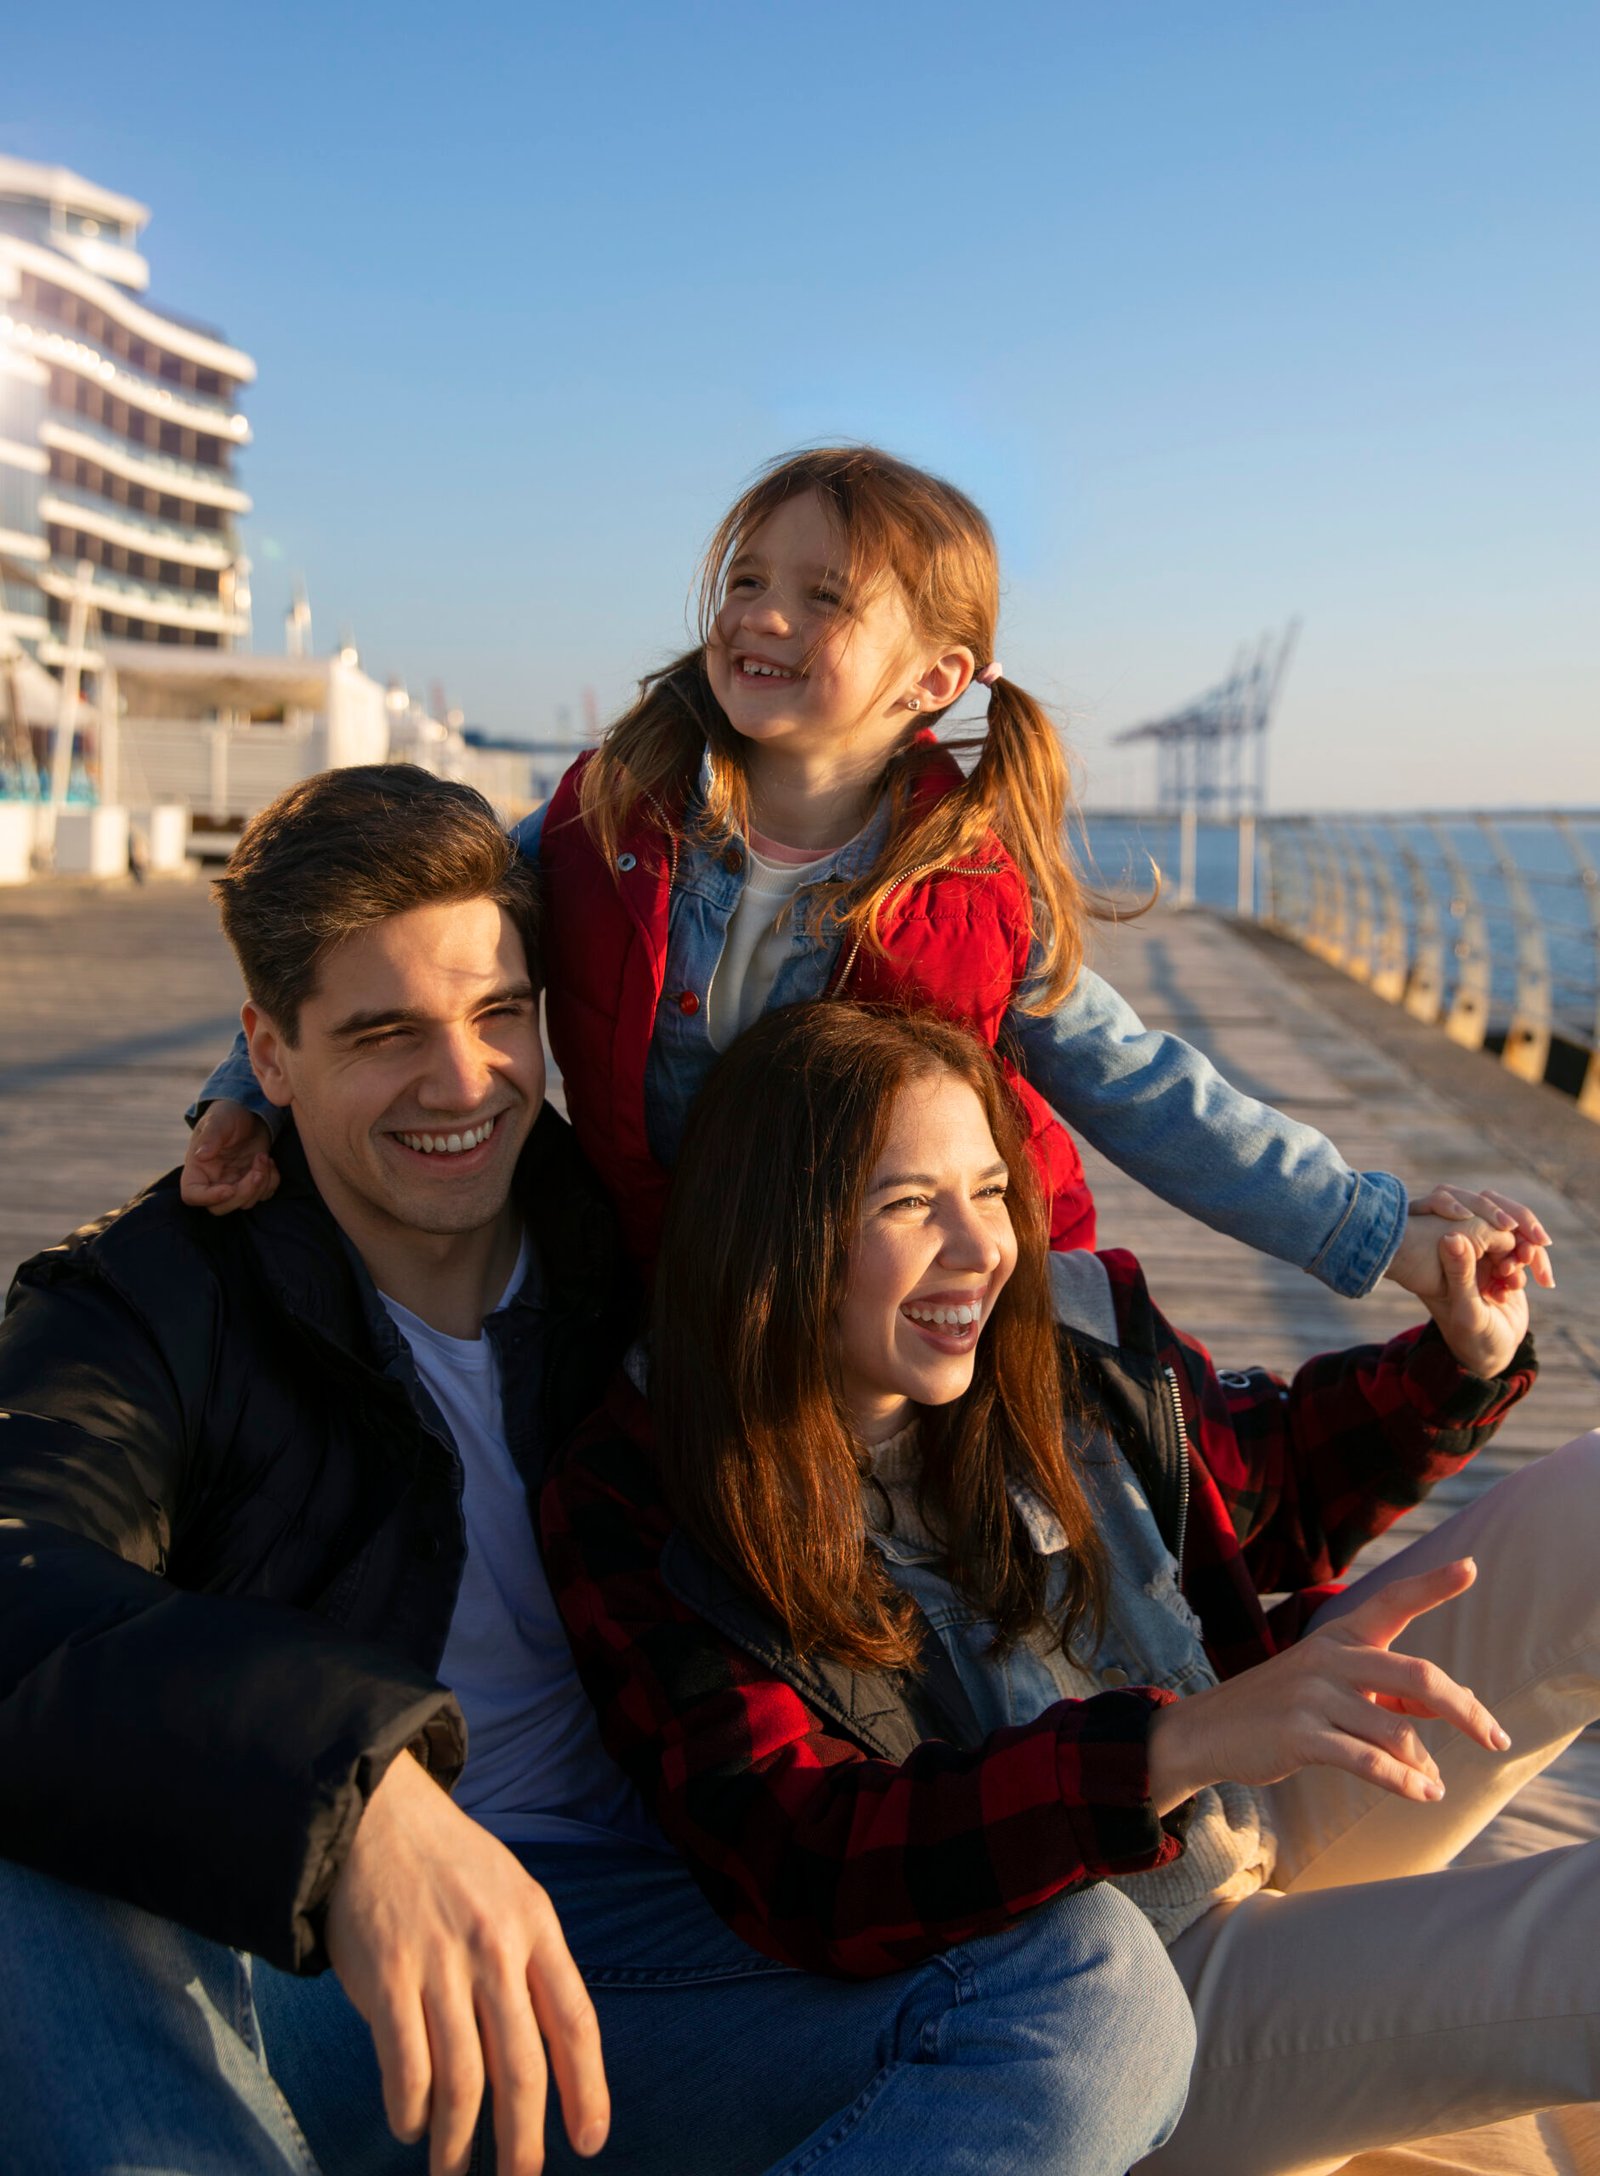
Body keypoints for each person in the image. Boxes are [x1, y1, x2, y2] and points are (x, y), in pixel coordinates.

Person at [0, 766, 1198, 2176]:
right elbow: (24, 1566)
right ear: (266, 1054)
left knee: (1092, 1989)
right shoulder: (148, 1298)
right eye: (385, 1033)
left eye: (499, 1016)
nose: (463, 1082)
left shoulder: (638, 1252)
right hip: (295, 1962)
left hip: (633, 1948)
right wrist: (359, 1796)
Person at [541, 1001, 1600, 2174]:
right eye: (905, 1204)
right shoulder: (655, 1493)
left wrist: (1457, 1358)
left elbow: (1268, 1487)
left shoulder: (1064, 1330)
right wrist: (1166, 1750)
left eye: (989, 1190)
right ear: (780, 1234)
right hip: (1133, 1986)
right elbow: (803, 1859)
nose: (978, 1247)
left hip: (1250, 1802)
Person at [180, 445, 1554, 1300]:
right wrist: (252, 1090)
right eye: (746, 580)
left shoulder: (977, 896)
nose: (762, 615)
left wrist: (1366, 1227)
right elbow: (413, 942)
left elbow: (1146, 1086)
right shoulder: (612, 816)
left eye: (824, 597)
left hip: (890, 1319)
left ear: (938, 679)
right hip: (655, 1292)